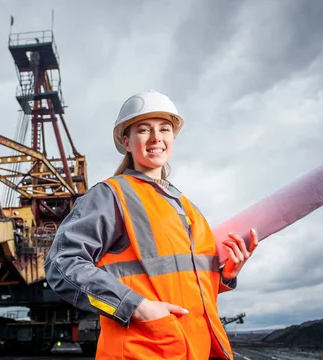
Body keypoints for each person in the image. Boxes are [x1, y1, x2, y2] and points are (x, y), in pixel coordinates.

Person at [44, 90, 259, 360]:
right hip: (144, 351)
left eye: (165, 129)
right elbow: (61, 264)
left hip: (197, 350)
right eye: (144, 130)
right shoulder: (112, 195)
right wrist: (135, 306)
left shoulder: (188, 208)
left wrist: (226, 274)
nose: (156, 138)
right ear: (126, 141)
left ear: (173, 138)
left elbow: (182, 284)